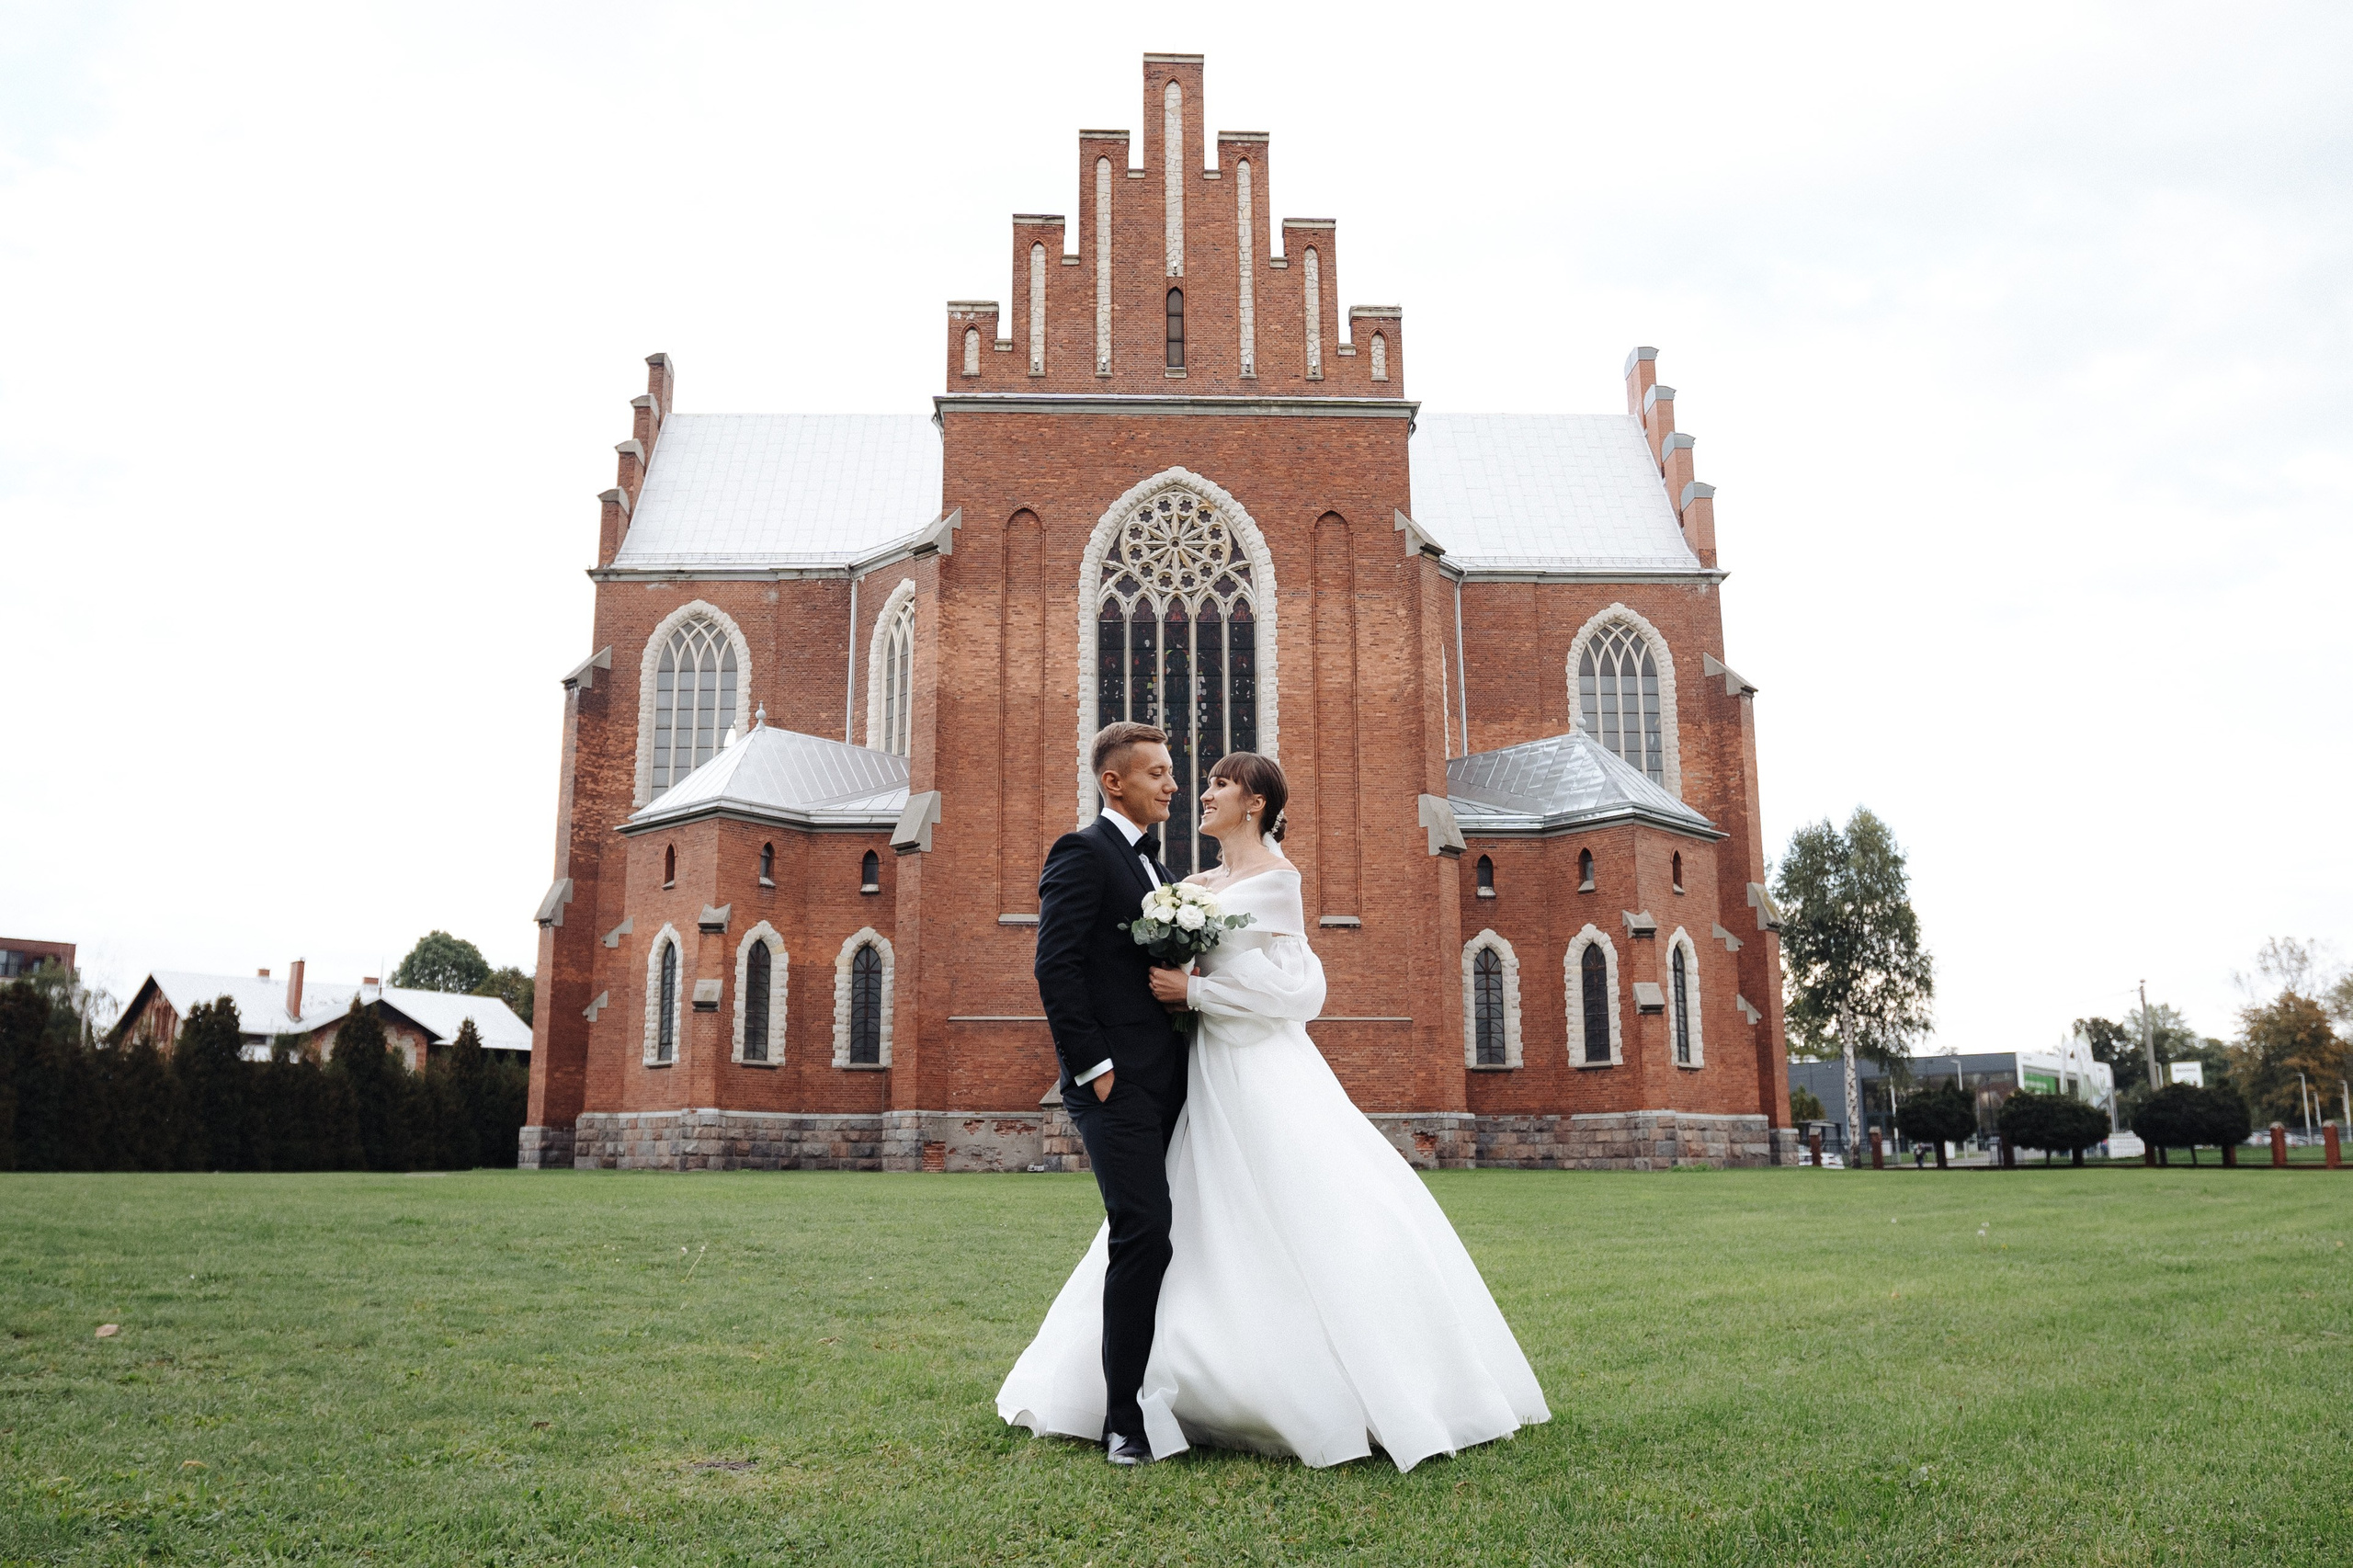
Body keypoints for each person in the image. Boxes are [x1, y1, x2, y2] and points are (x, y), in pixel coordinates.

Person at [1001, 748, 1550, 1471]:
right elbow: (1087, 963)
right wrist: (1112, 1051)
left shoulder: (1277, 881)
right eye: (1187, 780)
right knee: (1182, 1223)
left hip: (1255, 1069)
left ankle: (1323, 1381)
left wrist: (1196, 994)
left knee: (1300, 1213)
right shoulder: (1185, 882)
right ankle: (1147, 1392)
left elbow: (1300, 994)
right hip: (1194, 1075)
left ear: (1253, 802)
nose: (1197, 791)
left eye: (1217, 784)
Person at [1028, 721, 1188, 1467]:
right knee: (1142, 1230)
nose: (1172, 784)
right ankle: (1121, 1419)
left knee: (1160, 1236)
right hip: (1114, 1085)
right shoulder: (1081, 853)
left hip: (1172, 1078)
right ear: (1113, 782)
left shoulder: (1159, 871)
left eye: (1171, 771)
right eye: (1157, 773)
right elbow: (1055, 967)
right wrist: (1093, 1066)